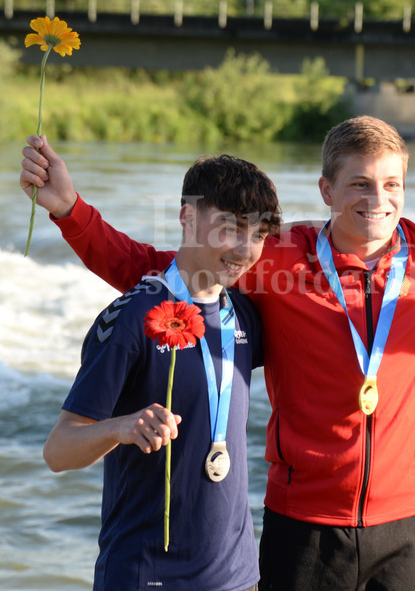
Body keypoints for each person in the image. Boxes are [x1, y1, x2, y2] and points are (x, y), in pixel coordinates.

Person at [21, 116, 415, 589]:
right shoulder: (275, 255)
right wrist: (71, 211)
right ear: (326, 189)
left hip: (408, 521)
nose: (377, 199)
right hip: (304, 519)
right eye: (359, 184)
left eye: (391, 184)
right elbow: (157, 268)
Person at [40, 154, 281, 590]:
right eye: (231, 227)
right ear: (187, 218)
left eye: (259, 235)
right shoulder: (131, 317)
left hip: (238, 578)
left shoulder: (245, 315)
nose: (245, 250)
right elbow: (58, 451)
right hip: (144, 576)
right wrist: (121, 427)